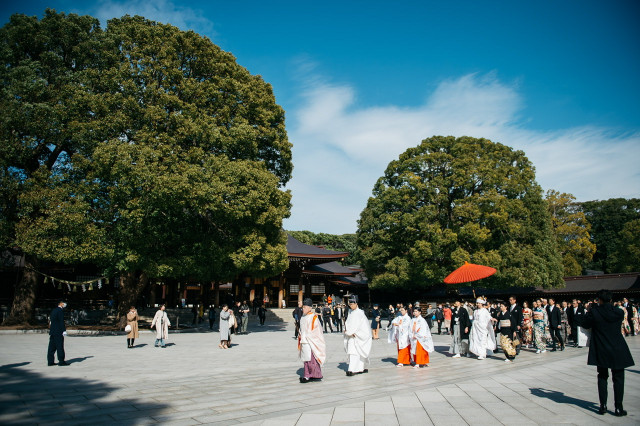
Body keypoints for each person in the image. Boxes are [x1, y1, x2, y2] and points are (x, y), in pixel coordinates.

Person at [582, 289, 635, 416]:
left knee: (602, 376)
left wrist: (590, 310)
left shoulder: (594, 312)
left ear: (599, 300)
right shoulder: (618, 312)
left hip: (601, 347)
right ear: (611, 299)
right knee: (618, 378)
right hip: (617, 347)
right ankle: (618, 407)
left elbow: (584, 323)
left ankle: (603, 406)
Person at [298, 298, 326, 383]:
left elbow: (317, 330)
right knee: (306, 359)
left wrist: (307, 335)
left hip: (311, 341)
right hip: (304, 340)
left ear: (310, 308)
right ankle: (308, 374)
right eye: (303, 307)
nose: (303, 309)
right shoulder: (303, 317)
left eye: (305, 307)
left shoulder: (313, 317)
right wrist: (300, 333)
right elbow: (301, 328)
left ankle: (312, 375)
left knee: (312, 359)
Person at [343, 296, 372, 376]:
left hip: (357, 335)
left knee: (357, 353)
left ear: (356, 304)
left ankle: (355, 369)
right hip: (352, 336)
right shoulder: (350, 312)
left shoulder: (360, 313)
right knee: (353, 352)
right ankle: (355, 368)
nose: (351, 305)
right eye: (350, 304)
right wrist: (347, 330)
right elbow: (348, 323)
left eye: (352, 304)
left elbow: (362, 326)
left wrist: (353, 332)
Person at [47, 299, 69, 366]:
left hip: (53, 331)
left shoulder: (54, 310)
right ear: (61, 303)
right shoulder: (60, 311)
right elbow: (61, 321)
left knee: (51, 347)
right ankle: (61, 361)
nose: (65, 304)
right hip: (58, 331)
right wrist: (64, 330)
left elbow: (51, 321)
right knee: (59, 346)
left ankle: (50, 361)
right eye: (64, 303)